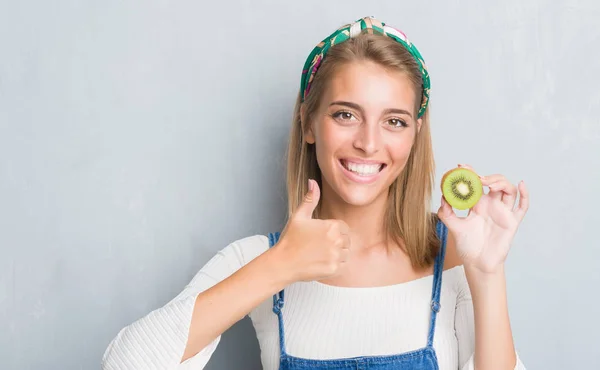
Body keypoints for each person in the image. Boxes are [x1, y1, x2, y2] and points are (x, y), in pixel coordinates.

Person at [101, 16, 529, 370]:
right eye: (346, 114)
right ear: (309, 123)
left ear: (415, 136)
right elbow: (125, 364)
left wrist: (488, 273)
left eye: (394, 121)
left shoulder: (454, 257)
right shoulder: (257, 260)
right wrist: (279, 266)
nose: (368, 142)